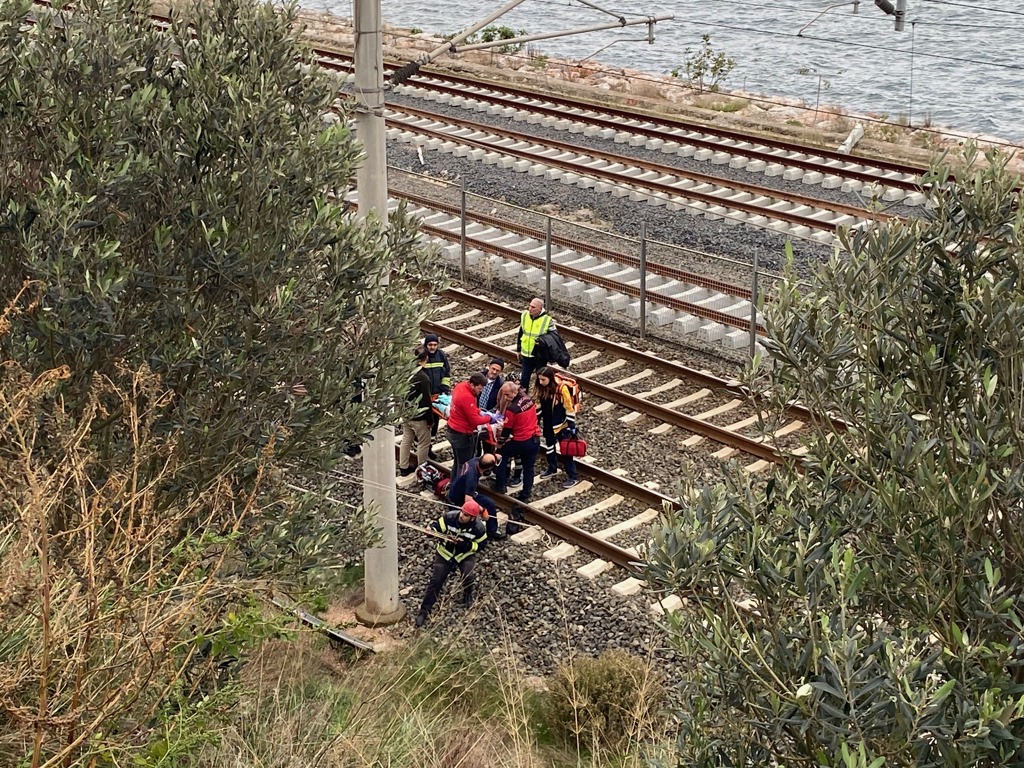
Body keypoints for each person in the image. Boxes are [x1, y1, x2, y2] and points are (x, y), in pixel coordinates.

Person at [415, 498, 488, 627]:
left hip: (463, 556)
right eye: (461, 512)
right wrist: (431, 532)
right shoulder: (449, 517)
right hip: (445, 554)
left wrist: (465, 545)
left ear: (472, 518)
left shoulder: (479, 528)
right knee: (436, 581)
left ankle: (468, 593)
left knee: (468, 575)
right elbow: (436, 527)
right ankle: (424, 611)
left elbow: (481, 545)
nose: (461, 515)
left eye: (465, 515)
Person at [493, 381, 540, 503]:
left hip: (520, 441)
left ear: (514, 392)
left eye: (507, 395)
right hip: (534, 438)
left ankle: (500, 485)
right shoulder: (528, 399)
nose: (505, 397)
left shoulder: (512, 409)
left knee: (500, 455)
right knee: (529, 468)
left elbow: (507, 430)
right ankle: (526, 494)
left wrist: (500, 443)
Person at [534, 366, 579, 489]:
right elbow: (538, 405)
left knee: (565, 450)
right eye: (539, 379)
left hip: (561, 424)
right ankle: (552, 468)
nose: (541, 382)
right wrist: (535, 421)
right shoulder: (540, 388)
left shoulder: (561, 389)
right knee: (549, 446)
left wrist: (571, 427)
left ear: (550, 378)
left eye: (543, 380)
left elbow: (569, 408)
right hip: (548, 422)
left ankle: (573, 476)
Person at [446, 372, 492, 479]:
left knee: (457, 462)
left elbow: (465, 409)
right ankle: (459, 490)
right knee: (464, 465)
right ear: (472, 385)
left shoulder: (460, 386)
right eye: (479, 388)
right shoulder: (468, 397)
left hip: (452, 429)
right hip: (462, 434)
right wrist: (489, 418)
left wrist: (478, 411)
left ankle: (454, 485)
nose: (480, 391)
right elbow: (474, 421)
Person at [447, 453, 502, 540]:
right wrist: (482, 510)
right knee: (489, 504)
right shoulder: (472, 477)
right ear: (489, 468)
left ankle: (492, 530)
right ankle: (492, 532)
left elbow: (485, 459)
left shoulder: (475, 461)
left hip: (457, 491)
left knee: (488, 502)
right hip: (459, 499)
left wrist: (494, 455)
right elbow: (468, 500)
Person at [398, 348, 433, 476]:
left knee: (406, 439)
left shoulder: (407, 371)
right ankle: (422, 471)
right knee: (423, 443)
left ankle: (403, 466)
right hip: (419, 417)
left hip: (407, 414)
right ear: (426, 359)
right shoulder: (423, 378)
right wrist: (430, 420)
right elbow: (426, 401)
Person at [516, 297, 554, 392]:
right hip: (526, 354)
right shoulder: (525, 316)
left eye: (533, 307)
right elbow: (521, 332)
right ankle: (523, 398)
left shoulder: (547, 320)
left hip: (539, 356)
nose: (530, 309)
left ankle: (540, 397)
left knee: (540, 379)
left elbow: (553, 338)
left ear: (540, 309)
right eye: (530, 306)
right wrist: (518, 349)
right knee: (524, 378)